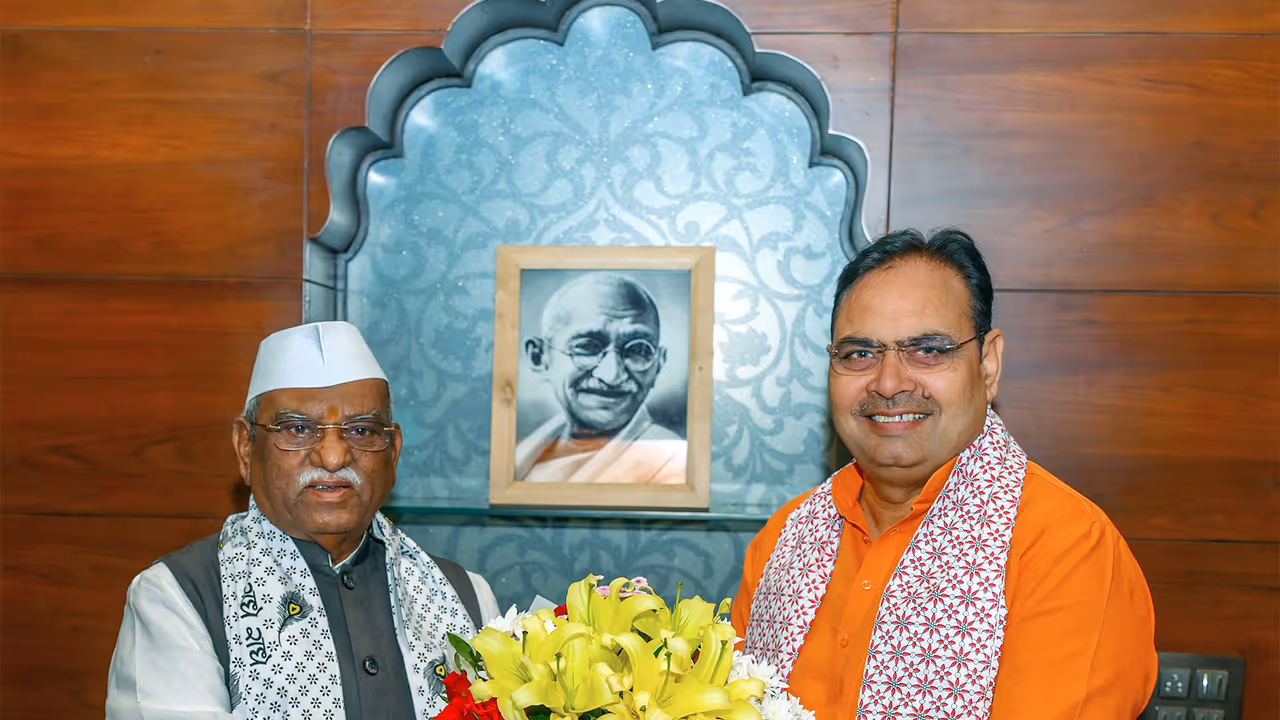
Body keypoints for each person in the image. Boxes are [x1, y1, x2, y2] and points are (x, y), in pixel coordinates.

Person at [732, 229, 1157, 719]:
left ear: (988, 365)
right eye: (859, 354)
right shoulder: (785, 538)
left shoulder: (1066, 548)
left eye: (928, 350)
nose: (888, 382)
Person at [106, 321, 500, 719]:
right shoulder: (177, 597)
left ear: (393, 452)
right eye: (297, 429)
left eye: (361, 430)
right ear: (246, 448)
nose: (333, 457)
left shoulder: (465, 597)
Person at [514, 272, 685, 485]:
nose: (612, 375)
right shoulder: (523, 455)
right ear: (539, 358)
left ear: (658, 364)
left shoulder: (672, 464)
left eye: (638, 350)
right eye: (587, 347)